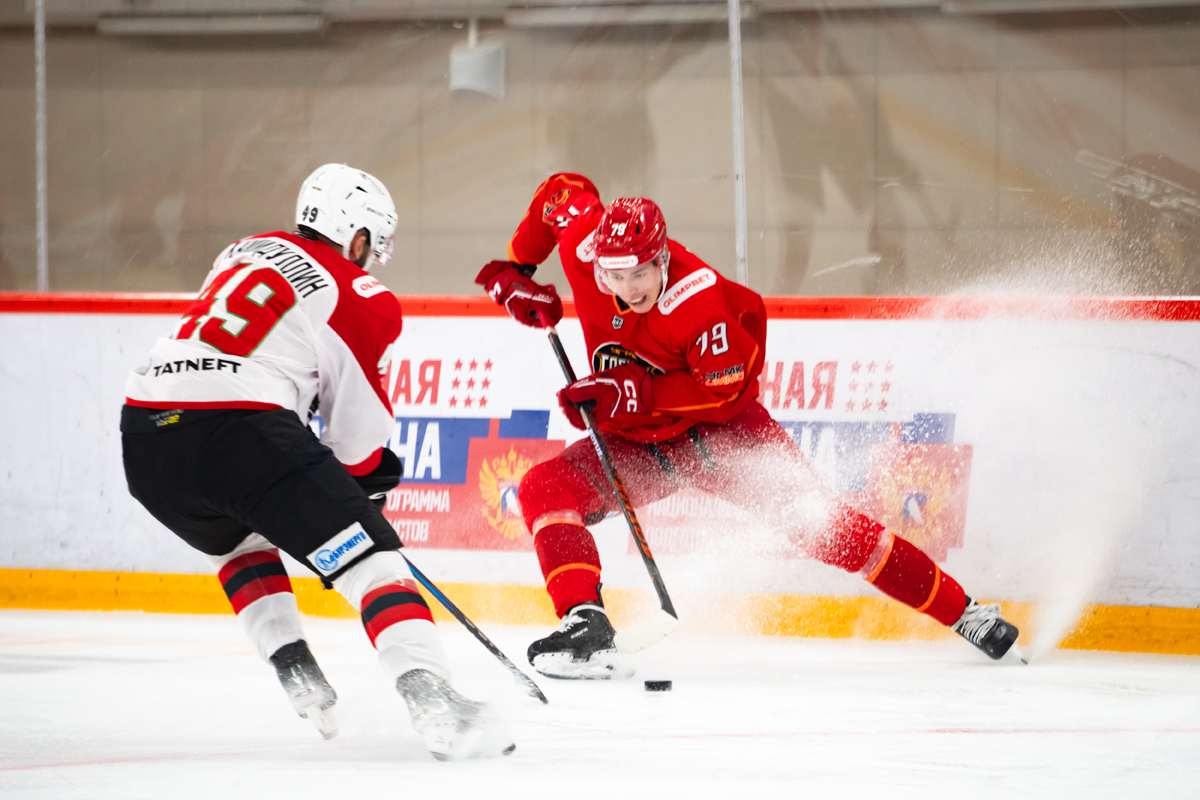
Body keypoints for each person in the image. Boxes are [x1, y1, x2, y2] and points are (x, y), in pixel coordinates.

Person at [475, 173, 1021, 680]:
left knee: (827, 528)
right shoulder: (585, 243)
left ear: (661, 258)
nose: (629, 287)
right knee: (544, 486)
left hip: (726, 439)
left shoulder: (698, 302)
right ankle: (585, 626)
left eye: (640, 273)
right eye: (614, 276)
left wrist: (627, 394)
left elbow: (724, 394)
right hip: (639, 444)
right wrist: (517, 269)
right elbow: (560, 191)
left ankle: (966, 613)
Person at [122, 163, 514, 760]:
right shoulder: (358, 293)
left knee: (237, 541)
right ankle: (435, 701)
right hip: (236, 427)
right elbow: (356, 441)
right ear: (357, 236)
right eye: (372, 245)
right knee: (372, 564)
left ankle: (295, 669)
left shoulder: (243, 250)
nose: (371, 259)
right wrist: (363, 486)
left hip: (145, 437)